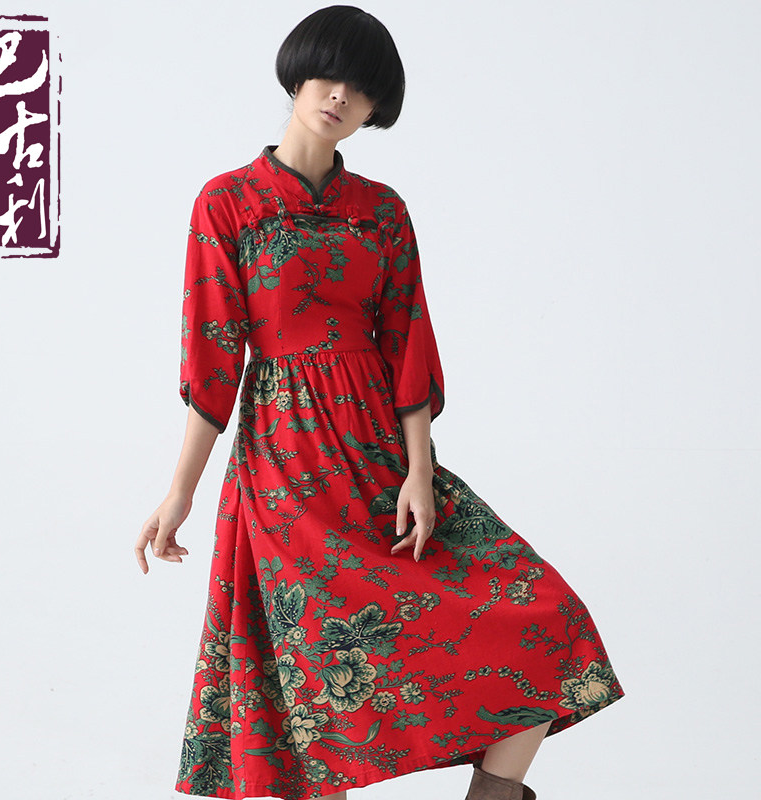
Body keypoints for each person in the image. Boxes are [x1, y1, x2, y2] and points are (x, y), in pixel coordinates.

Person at [134, 6, 625, 800]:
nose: (340, 96)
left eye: (361, 90)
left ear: (374, 109)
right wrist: (180, 492)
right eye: (330, 76)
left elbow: (408, 345)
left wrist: (420, 473)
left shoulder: (382, 210)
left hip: (381, 459)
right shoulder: (227, 203)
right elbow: (214, 358)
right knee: (315, 682)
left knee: (542, 616)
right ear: (299, 74)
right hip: (285, 468)